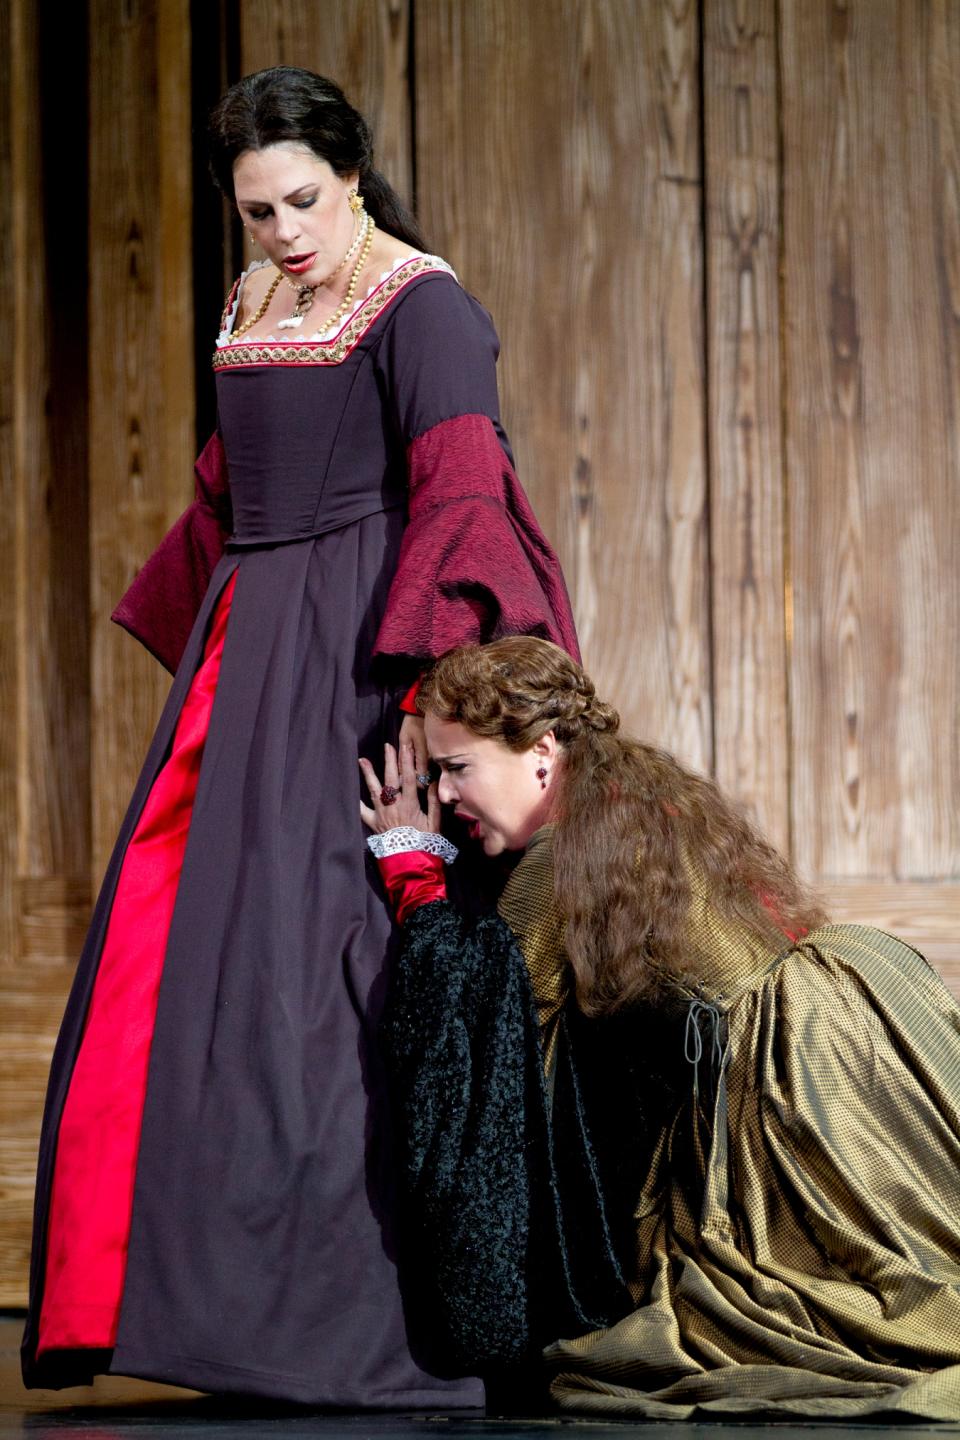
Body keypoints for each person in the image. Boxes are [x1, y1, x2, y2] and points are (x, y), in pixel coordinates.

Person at [22, 68, 579, 1406]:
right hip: (247, 655)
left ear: (354, 174)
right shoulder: (255, 299)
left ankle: (357, 1331)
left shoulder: (425, 304)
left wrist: (434, 704)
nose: (282, 230)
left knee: (334, 971)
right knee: (203, 970)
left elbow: (456, 488)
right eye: (258, 209)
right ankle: (197, 1316)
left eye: (303, 200)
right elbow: (227, 488)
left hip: (354, 654)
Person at [361, 635, 960, 1422]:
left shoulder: (560, 862)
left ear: (541, 753)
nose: (446, 794)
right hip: (851, 1019)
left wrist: (415, 869)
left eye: (456, 768)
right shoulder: (637, 805)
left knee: (830, 1313)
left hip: (792, 1093)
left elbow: (484, 1029)